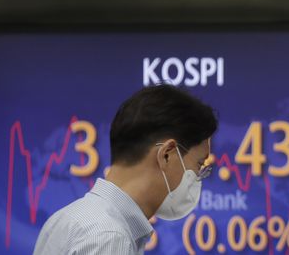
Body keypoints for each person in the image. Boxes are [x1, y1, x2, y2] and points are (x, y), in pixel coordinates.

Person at [34, 85, 218, 254]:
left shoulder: (66, 218)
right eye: (199, 165)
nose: (198, 177)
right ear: (167, 155)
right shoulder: (110, 237)